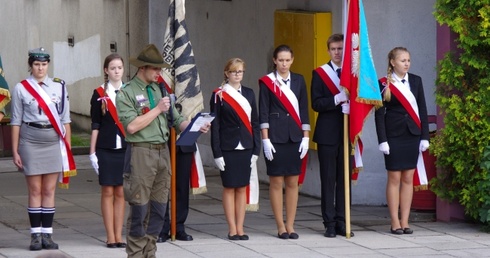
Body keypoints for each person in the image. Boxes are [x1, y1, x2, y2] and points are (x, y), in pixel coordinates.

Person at [116, 44, 210, 258]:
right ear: (142, 68)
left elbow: (176, 121)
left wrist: (196, 126)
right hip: (141, 153)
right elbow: (131, 126)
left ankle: (150, 253)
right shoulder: (127, 93)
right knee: (140, 210)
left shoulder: (160, 89)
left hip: (162, 153)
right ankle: (136, 254)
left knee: (159, 210)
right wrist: (157, 109)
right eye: (156, 69)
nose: (160, 73)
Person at [11, 47, 75, 250]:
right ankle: (35, 236)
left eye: (44, 64)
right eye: (37, 64)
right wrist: (15, 150)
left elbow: (65, 120)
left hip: (53, 142)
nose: (40, 68)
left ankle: (47, 235)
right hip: (30, 142)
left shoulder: (60, 86)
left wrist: (68, 148)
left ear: (48, 65)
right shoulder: (21, 88)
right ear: (31, 66)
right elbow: (16, 122)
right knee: (35, 189)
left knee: (49, 189)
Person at [374, 47, 429, 235]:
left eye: (408, 60)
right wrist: (382, 140)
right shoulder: (383, 84)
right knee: (394, 177)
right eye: (402, 60)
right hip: (393, 136)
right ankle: (394, 221)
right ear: (392, 62)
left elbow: (422, 108)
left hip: (412, 135)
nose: (406, 64)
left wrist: (425, 136)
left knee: (408, 178)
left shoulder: (416, 80)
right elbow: (379, 114)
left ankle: (405, 221)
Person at [259, 45, 310, 240]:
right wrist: (265, 139)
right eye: (280, 60)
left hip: (295, 137)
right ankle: (280, 225)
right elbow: (263, 110)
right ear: (274, 60)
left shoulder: (298, 80)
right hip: (275, 138)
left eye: (287, 60)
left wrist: (306, 136)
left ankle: (291, 224)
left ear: (292, 60)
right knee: (276, 181)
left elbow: (303, 109)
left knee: (292, 182)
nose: (284, 63)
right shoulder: (267, 82)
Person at [210, 58, 260, 240]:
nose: (237, 75)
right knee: (230, 187)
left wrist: (256, 150)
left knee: (242, 187)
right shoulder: (219, 95)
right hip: (228, 147)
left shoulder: (249, 93)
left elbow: (254, 122)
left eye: (240, 72)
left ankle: (241, 227)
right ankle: (232, 228)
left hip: (246, 146)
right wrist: (217, 153)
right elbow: (215, 126)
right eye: (233, 71)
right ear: (226, 73)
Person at [311, 34, 353, 238]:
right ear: (328, 50)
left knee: (344, 179)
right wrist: (336, 99)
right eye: (334, 49)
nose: (338, 52)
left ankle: (343, 221)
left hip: (347, 133)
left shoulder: (353, 74)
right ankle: (329, 223)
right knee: (328, 180)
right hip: (327, 134)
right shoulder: (320, 73)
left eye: (341, 49)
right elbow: (316, 103)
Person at [89, 53, 127, 248]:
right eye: (112, 68)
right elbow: (95, 124)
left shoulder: (129, 92)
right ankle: (109, 236)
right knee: (107, 191)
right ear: (106, 70)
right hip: (105, 148)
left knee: (121, 192)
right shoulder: (98, 94)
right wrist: (92, 152)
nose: (116, 71)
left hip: (125, 149)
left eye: (119, 67)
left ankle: (119, 235)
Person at [157, 144, 196, 243]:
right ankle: (162, 226)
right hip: (164, 144)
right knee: (162, 186)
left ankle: (179, 226)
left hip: (184, 145)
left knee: (182, 187)